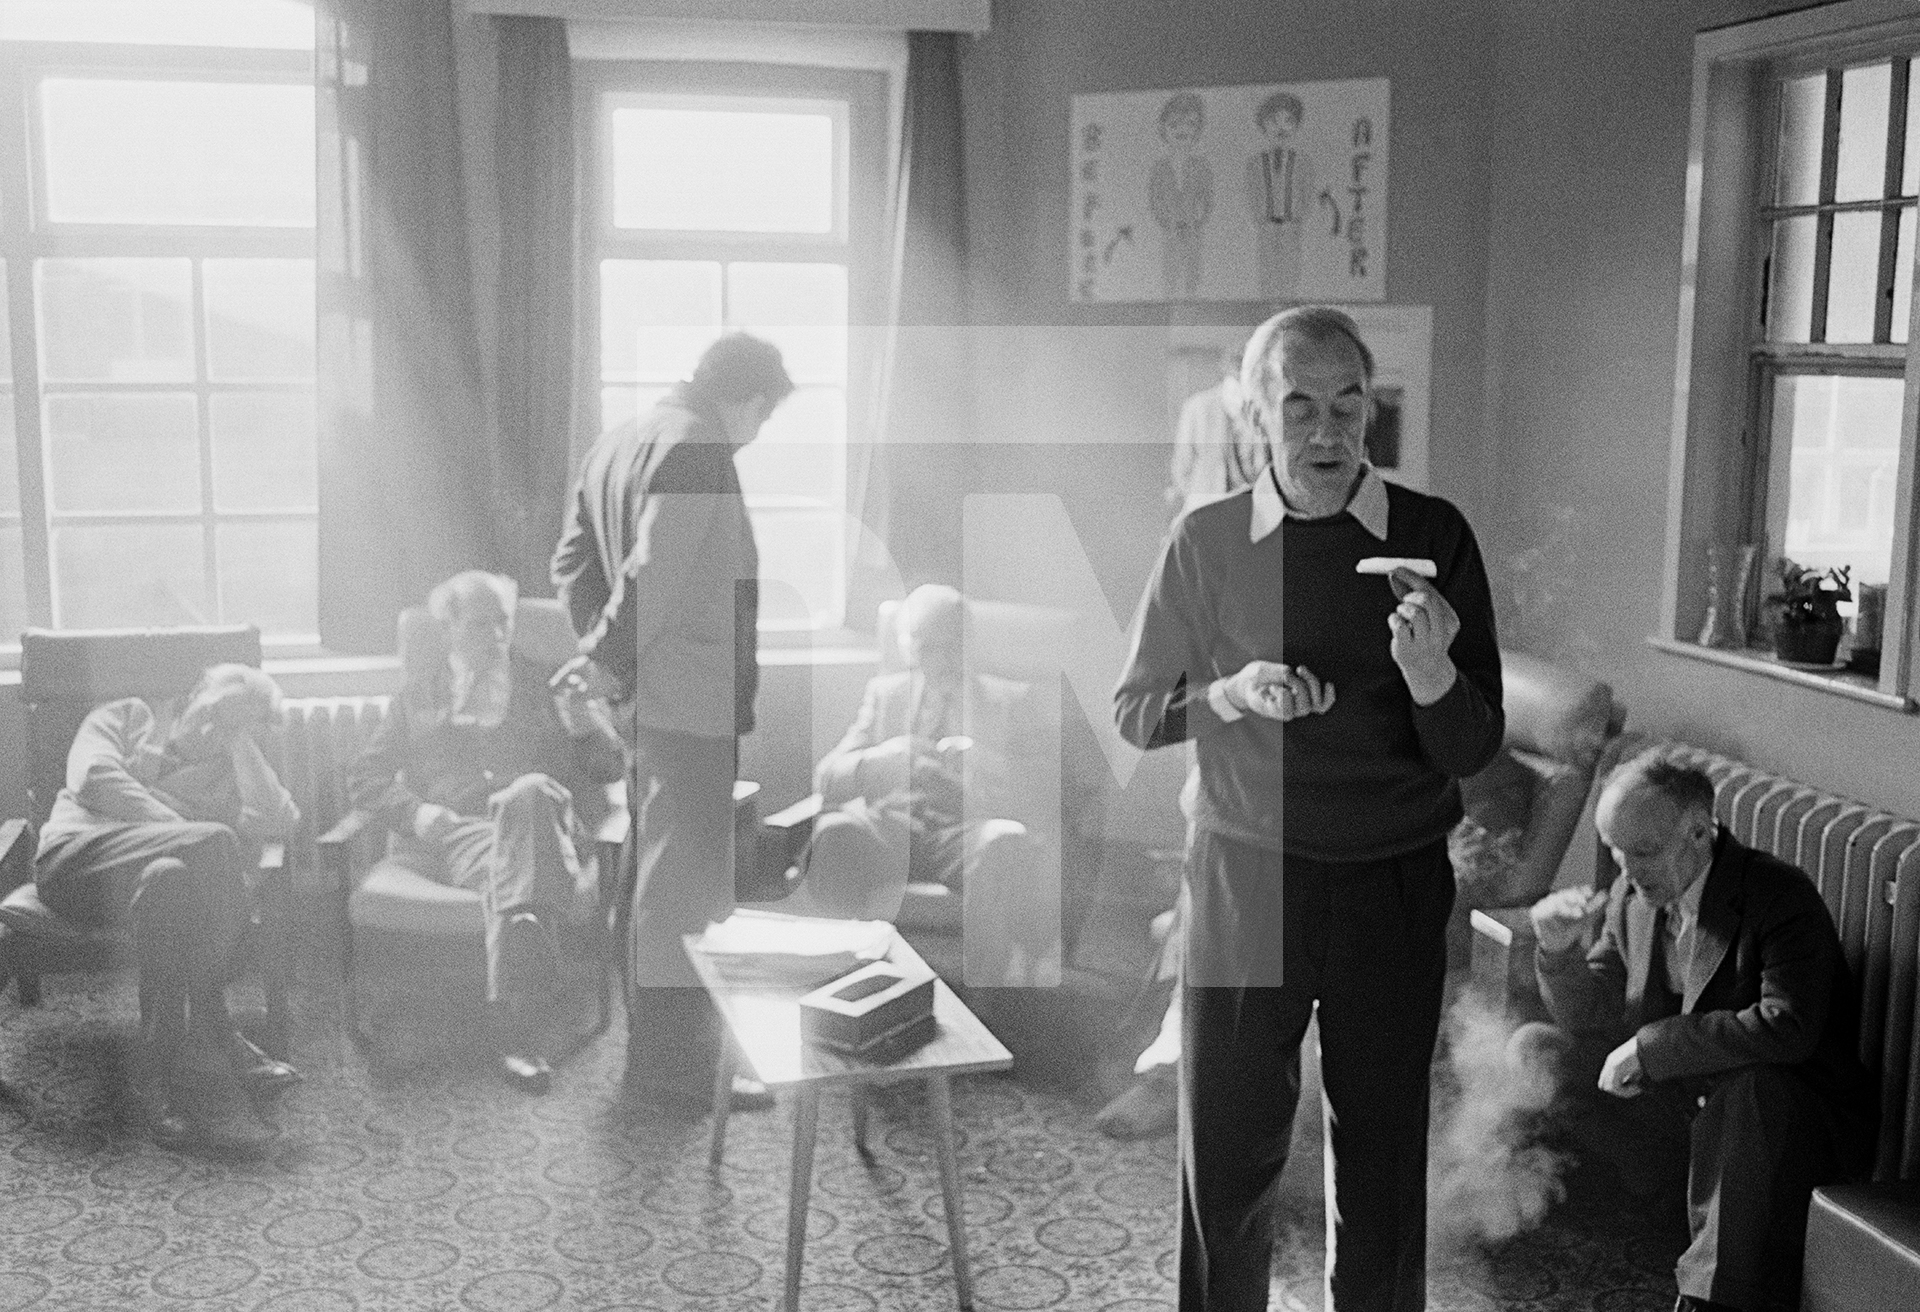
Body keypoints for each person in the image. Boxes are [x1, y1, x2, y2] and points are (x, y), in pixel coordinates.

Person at [1114, 304, 1504, 1311]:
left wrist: (1429, 678)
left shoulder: (1433, 534)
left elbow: (1472, 743)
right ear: (1256, 419)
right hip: (1247, 877)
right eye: (1300, 408)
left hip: (1394, 879)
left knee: (1381, 1157)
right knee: (1228, 1154)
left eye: (1348, 406)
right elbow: (1135, 711)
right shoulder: (1205, 539)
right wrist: (1233, 693)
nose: (1328, 432)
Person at [1527, 753, 1874, 1312]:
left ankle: (1710, 1299)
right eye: (1616, 851)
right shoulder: (1632, 897)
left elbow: (1787, 1026)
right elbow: (1593, 1015)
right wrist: (1556, 951)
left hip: (1778, 1127)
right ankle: (1596, 1211)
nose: (1627, 871)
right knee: (1537, 1049)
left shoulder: (1779, 895)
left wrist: (1652, 1045)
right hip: (1682, 1112)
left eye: (1643, 852)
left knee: (1748, 1089)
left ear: (1698, 832)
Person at [551, 332, 791, 1112]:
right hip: (687, 700)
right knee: (680, 889)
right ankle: (668, 1069)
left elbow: (572, 563)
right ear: (750, 400)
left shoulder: (616, 442)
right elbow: (654, 572)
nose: (757, 436)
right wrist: (611, 658)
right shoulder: (696, 447)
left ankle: (662, 1056)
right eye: (763, 417)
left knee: (655, 878)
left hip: (646, 703)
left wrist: (600, 652)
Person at [346, 570, 626, 1094]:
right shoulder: (418, 692)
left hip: (550, 826)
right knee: (512, 867)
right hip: (459, 836)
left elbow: (610, 771)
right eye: (480, 625)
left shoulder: (550, 683)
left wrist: (586, 724)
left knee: (529, 792)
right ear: (448, 627)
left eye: (503, 624)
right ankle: (521, 1022)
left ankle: (512, 1009)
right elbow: (367, 777)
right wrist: (421, 814)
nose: (496, 637)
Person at [33, 662, 302, 1153]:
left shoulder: (230, 770)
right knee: (213, 842)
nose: (209, 729)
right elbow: (93, 777)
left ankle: (158, 1082)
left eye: (230, 726)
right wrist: (182, 827)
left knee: (169, 881)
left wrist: (243, 746)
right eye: (213, 711)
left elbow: (278, 820)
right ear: (194, 690)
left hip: (154, 897)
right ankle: (217, 1028)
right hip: (76, 862)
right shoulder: (127, 715)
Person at [785, 584, 1059, 985]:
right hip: (891, 828)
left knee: (1003, 844)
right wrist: (879, 760)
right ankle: (840, 983)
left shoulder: (1011, 701)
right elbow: (828, 776)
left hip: (967, 829)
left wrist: (981, 759)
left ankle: (985, 1006)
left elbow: (1040, 788)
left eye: (951, 645)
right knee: (834, 834)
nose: (941, 658)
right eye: (927, 646)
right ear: (907, 647)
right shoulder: (886, 694)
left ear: (968, 644)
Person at [1245, 91, 1316, 300]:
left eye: (1288, 121)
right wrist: (1260, 219)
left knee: (1290, 267)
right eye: (1274, 121)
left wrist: (1298, 218)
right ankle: (1269, 307)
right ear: (1263, 125)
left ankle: (1288, 306)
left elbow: (1307, 192)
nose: (1281, 127)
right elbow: (1253, 193)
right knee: (1267, 267)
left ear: (1296, 125)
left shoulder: (1302, 162)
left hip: (1291, 224)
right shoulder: (1255, 163)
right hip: (1266, 224)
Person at [1148, 91, 1214, 302]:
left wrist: (1197, 222)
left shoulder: (1202, 166)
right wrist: (1168, 223)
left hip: (1194, 231)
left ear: (1198, 131)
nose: (1182, 131)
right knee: (1169, 277)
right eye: (1174, 125)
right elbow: (1155, 200)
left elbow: (1208, 199)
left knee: (1193, 278)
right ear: (1163, 129)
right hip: (1170, 231)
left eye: (1190, 125)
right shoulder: (1159, 167)